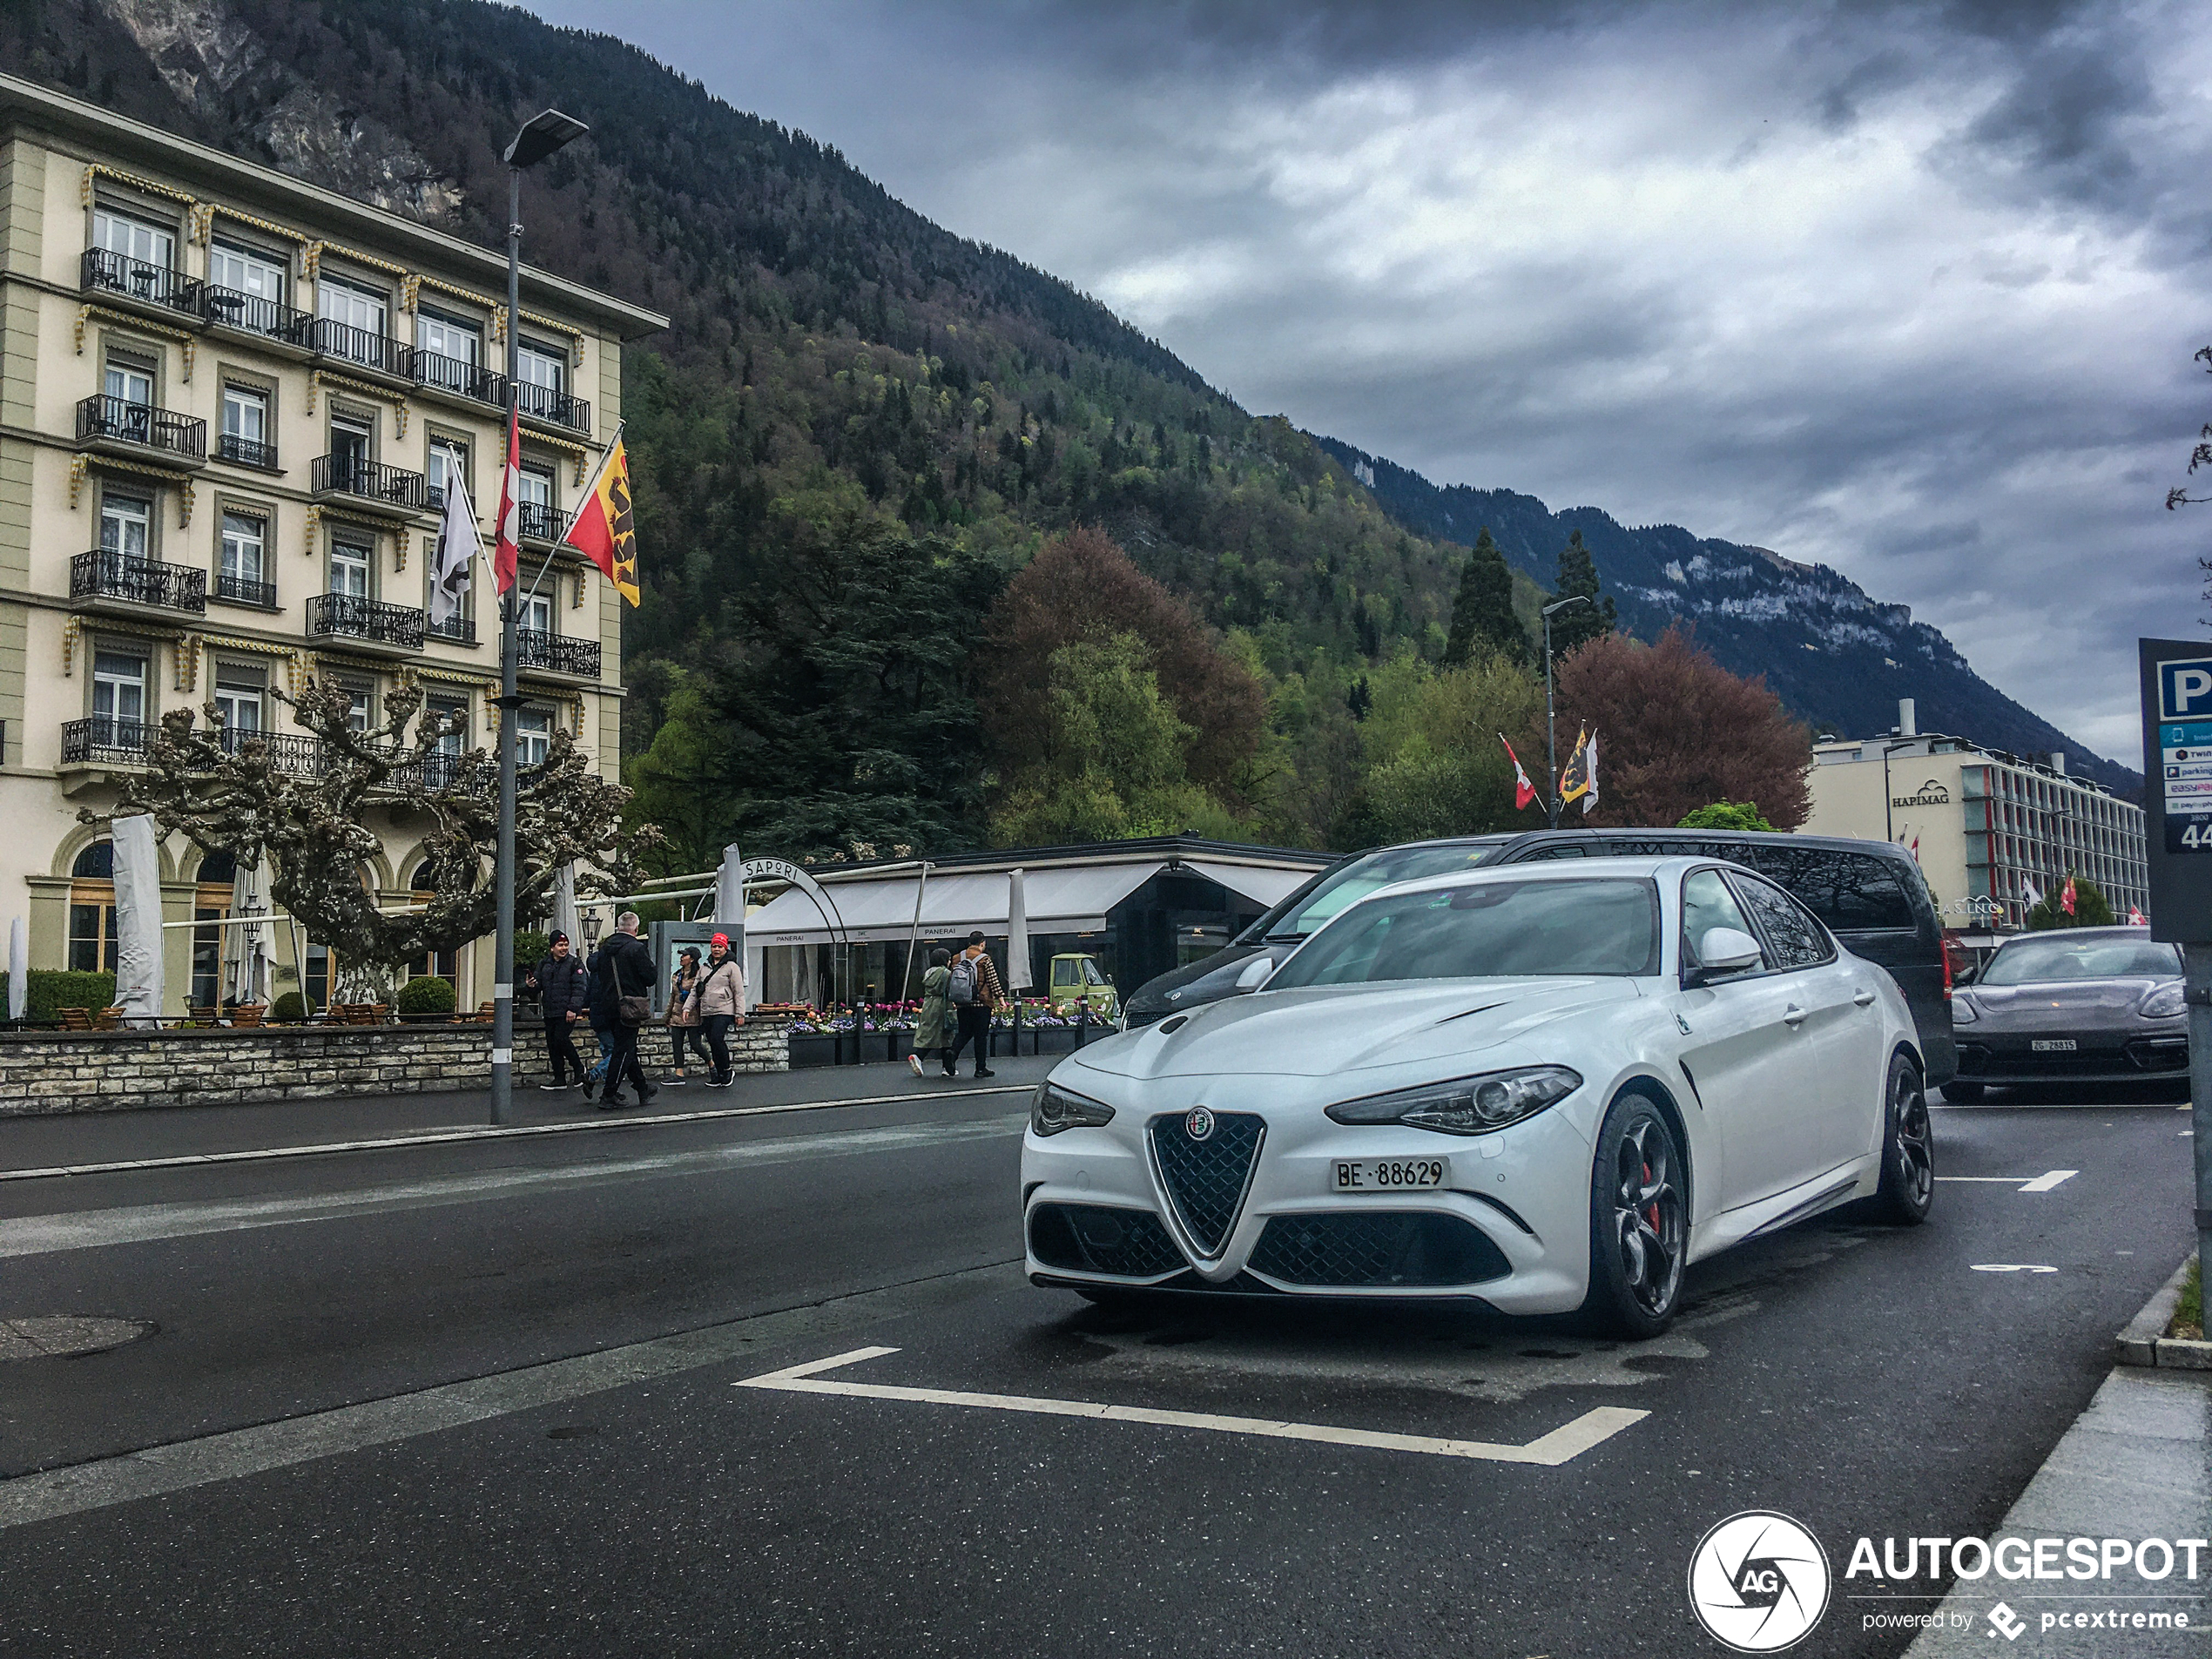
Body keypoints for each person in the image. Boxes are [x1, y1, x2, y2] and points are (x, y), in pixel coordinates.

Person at [589, 910, 657, 1110]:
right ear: (636, 928)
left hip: (607, 1005)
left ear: (619, 927)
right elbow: (650, 977)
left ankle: (643, 1088)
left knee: (626, 1048)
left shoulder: (605, 949)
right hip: (629, 1006)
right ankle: (608, 1094)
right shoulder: (636, 948)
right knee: (623, 1050)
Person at [529, 930, 589, 1090]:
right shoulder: (544, 964)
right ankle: (559, 1078)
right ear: (552, 948)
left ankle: (579, 1068)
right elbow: (538, 987)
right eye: (560, 945)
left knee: (561, 1039)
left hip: (566, 1011)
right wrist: (531, 986)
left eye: (565, 945)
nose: (564, 948)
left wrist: (573, 1008)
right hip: (550, 1010)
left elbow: (580, 987)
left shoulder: (574, 964)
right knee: (553, 1044)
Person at [943, 931, 1002, 1080]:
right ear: (982, 943)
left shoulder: (957, 958)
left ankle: (953, 1053)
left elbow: (952, 980)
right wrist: (1000, 999)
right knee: (980, 1036)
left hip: (963, 1002)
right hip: (981, 1003)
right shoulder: (985, 959)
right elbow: (992, 981)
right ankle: (980, 1068)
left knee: (963, 1032)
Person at [694, 931, 745, 1089]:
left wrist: (740, 1013)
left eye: (719, 946)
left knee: (717, 1038)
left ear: (725, 948)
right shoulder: (704, 967)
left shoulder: (732, 967)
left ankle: (727, 1070)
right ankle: (719, 1074)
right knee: (712, 1042)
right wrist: (687, 1008)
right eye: (714, 946)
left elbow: (739, 991)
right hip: (707, 1009)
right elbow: (696, 990)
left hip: (724, 1009)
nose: (716, 949)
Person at [665, 946, 709, 1084]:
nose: (682, 958)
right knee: (677, 1044)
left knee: (696, 1044)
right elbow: (673, 997)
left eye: (685, 956)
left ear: (692, 959)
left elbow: (702, 995)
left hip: (693, 1016)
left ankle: (711, 1063)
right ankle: (679, 1073)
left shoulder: (699, 975)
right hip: (677, 1015)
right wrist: (667, 1016)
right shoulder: (677, 975)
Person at [908, 948, 953, 1077]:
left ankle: (945, 1066)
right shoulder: (946, 973)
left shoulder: (928, 973)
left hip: (928, 1004)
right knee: (946, 1034)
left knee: (929, 1032)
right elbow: (950, 989)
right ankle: (921, 1057)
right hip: (942, 1004)